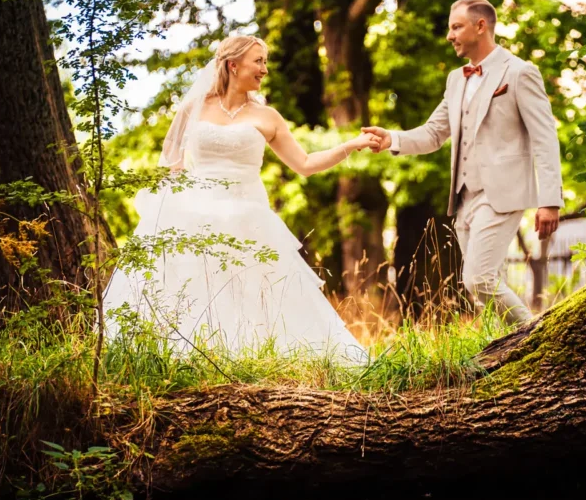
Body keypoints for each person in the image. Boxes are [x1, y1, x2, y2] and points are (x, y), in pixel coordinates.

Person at [105, 34, 380, 361]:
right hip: (194, 212)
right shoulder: (194, 107)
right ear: (233, 65)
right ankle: (189, 359)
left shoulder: (268, 117)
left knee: (254, 293)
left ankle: (253, 361)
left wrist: (351, 145)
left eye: (265, 61)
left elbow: (305, 164)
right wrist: (165, 212)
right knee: (193, 289)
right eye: (258, 61)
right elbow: (171, 165)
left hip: (248, 216)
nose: (265, 69)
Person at [364, 0, 564, 327]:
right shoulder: (457, 79)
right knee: (484, 285)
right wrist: (392, 139)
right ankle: (508, 352)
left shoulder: (520, 72)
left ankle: (536, 337)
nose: (449, 36)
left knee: (479, 279)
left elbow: (545, 137)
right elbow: (434, 133)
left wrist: (550, 200)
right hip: (464, 197)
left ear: (480, 26)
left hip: (502, 193)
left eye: (456, 27)